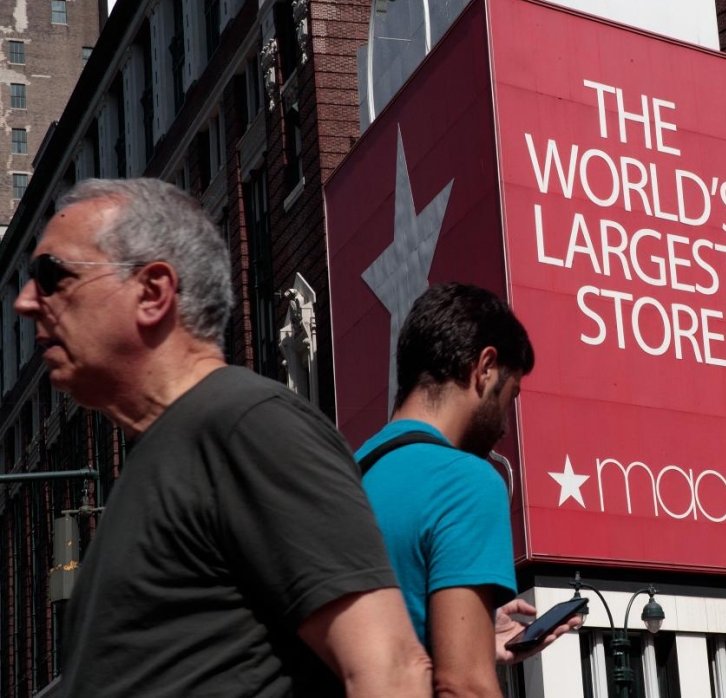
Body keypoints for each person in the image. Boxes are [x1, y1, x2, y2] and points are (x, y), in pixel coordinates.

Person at [14, 178, 431, 697]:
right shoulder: (166, 454)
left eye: (53, 276)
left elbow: (390, 669)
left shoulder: (248, 423)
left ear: (152, 292)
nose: (27, 302)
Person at [354, 282, 565, 697]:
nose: (505, 423)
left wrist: (466, 631)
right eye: (510, 395)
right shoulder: (465, 481)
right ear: (485, 368)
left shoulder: (348, 472)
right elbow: (465, 687)